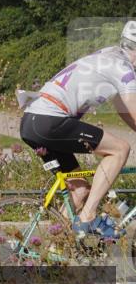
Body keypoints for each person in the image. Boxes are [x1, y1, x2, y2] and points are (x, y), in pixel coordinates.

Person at [20, 20, 136, 240]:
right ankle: (88, 217)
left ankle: (57, 248)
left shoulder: (109, 55)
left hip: (34, 121)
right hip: (50, 120)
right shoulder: (124, 69)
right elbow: (133, 107)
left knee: (80, 190)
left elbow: (123, 109)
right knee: (120, 150)